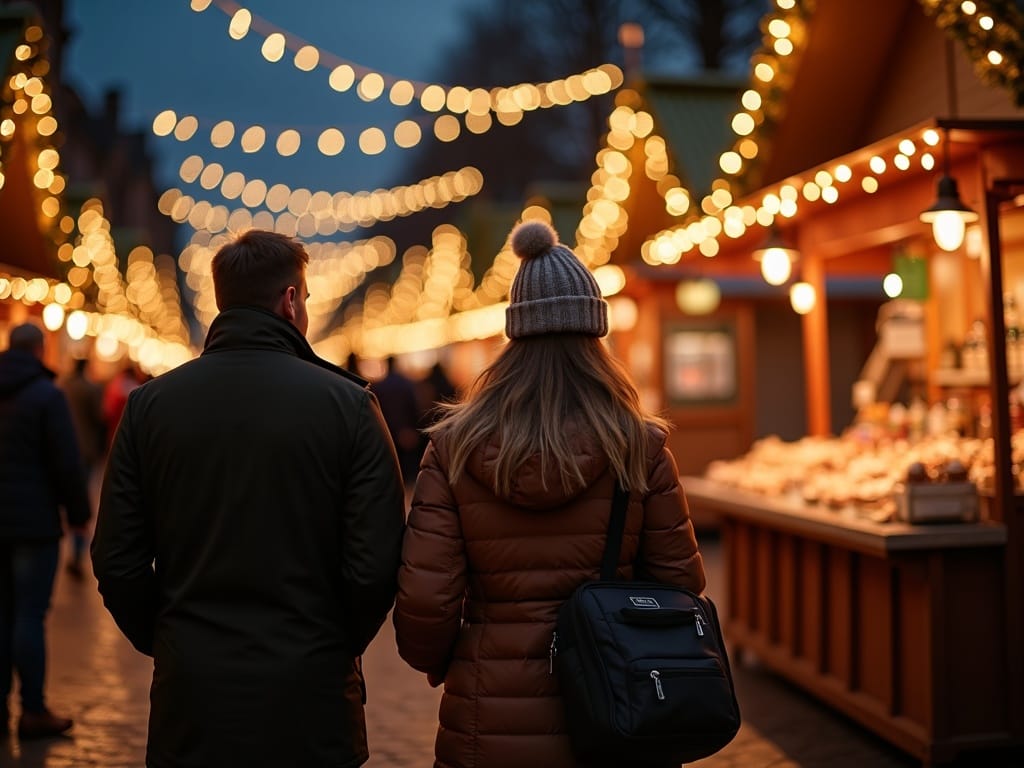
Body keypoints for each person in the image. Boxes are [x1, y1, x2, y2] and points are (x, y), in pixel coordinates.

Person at [392, 221, 706, 768]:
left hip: (488, 714)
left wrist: (450, 662)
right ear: (594, 338)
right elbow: (681, 587)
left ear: (514, 337)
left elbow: (424, 601)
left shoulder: (454, 449)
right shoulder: (641, 446)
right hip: (618, 709)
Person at [91, 229, 407, 768]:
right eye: (304, 299)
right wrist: (330, 642)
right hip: (310, 692)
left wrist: (171, 638)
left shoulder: (150, 407)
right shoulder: (350, 406)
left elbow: (116, 558)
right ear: (290, 300)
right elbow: (377, 562)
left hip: (192, 693)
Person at [0, 322, 90, 740]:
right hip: (33, 524)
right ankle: (33, 710)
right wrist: (78, 513)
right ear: (39, 350)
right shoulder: (46, 396)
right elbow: (66, 462)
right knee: (29, 615)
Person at [58, 357, 106, 579]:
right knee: (80, 500)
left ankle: (67, 548)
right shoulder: (91, 390)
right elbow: (99, 417)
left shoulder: (62, 386)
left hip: (61, 447)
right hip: (84, 449)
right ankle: (76, 552)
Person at [373, 355, 423, 485]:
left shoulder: (379, 386)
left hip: (387, 428)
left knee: (393, 462)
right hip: (406, 430)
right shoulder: (406, 384)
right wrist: (413, 428)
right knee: (407, 465)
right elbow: (413, 407)